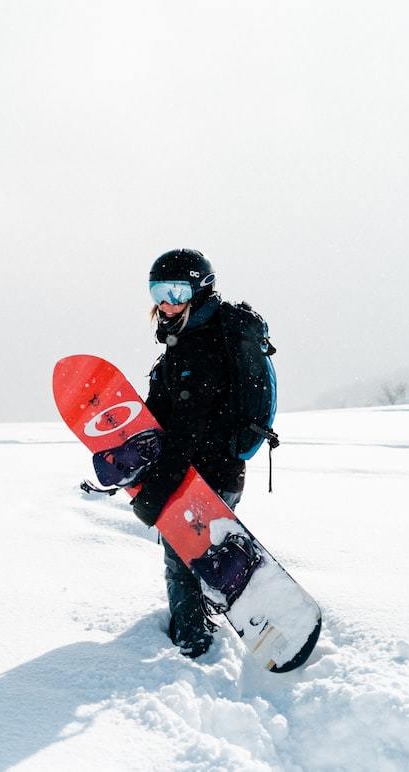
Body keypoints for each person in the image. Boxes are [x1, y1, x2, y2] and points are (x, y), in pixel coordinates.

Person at [130, 248, 246, 659]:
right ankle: (206, 613)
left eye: (177, 290)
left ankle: (193, 647)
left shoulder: (200, 348)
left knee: (182, 561)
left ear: (200, 292)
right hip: (215, 473)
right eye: (158, 290)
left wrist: (157, 490)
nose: (166, 301)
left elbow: (189, 433)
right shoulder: (190, 339)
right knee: (198, 554)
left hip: (203, 476)